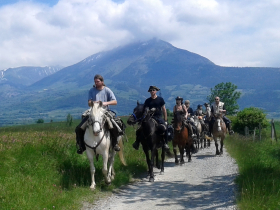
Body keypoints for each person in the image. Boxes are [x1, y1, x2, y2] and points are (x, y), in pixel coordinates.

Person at [75, 74, 121, 154]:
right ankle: (82, 146)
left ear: (102, 82)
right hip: (93, 112)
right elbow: (89, 102)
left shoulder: (107, 90)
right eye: (95, 81)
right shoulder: (91, 90)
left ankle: (115, 144)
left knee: (113, 127)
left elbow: (115, 101)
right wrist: (93, 103)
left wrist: (105, 103)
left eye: (98, 81)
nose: (96, 83)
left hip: (104, 112)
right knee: (79, 128)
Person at [132, 85, 170, 150]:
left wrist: (165, 120)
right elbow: (145, 110)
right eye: (151, 90)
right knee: (139, 129)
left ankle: (165, 143)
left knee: (164, 128)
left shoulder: (160, 99)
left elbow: (164, 110)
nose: (152, 91)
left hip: (158, 117)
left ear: (156, 91)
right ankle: (137, 142)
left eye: (153, 90)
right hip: (149, 117)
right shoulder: (147, 101)